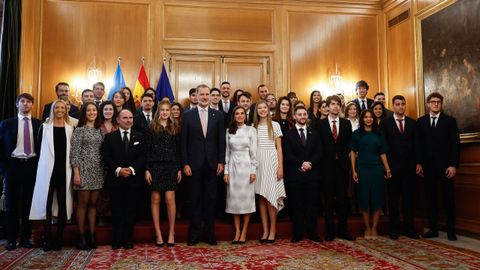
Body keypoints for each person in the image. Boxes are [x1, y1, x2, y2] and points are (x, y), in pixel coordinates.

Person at [181, 84, 225, 246]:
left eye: (207, 94)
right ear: (197, 96)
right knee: (195, 200)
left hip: (213, 164)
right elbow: (183, 142)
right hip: (193, 165)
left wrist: (221, 161)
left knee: (211, 200)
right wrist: (185, 163)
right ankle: (194, 234)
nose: (205, 97)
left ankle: (209, 234)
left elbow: (222, 141)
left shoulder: (218, 115)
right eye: (202, 94)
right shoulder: (188, 115)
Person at [30, 99, 74, 251]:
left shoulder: (70, 129)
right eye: (57, 108)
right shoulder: (44, 127)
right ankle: (47, 238)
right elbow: (38, 149)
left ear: (66, 110)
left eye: (63, 108)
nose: (60, 110)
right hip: (47, 171)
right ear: (53, 110)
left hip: (63, 171)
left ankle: (59, 238)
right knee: (46, 205)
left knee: (62, 205)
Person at [0, 93, 42, 251]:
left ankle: (25, 238)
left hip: (32, 166)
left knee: (28, 204)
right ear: (17, 104)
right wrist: (4, 168)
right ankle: (11, 239)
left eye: (29, 101)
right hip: (13, 166)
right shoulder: (6, 124)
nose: (25, 104)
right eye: (22, 101)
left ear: (32, 105)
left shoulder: (39, 124)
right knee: (11, 205)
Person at [417, 92, 460, 241]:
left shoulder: (450, 121)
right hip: (427, 169)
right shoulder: (421, 121)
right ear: (428, 104)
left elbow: (455, 145)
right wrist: (419, 163)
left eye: (438, 102)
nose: (436, 104)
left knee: (448, 200)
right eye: (433, 102)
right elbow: (418, 146)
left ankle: (451, 231)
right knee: (431, 200)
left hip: (446, 168)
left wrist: (453, 165)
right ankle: (433, 229)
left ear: (441, 104)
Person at [102, 109, 145, 249]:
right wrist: (119, 170)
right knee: (117, 210)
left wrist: (131, 169)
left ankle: (128, 239)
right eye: (125, 117)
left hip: (133, 179)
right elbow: (106, 157)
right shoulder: (109, 137)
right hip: (116, 180)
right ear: (118, 120)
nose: (128, 120)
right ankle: (116, 239)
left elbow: (143, 156)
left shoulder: (140, 136)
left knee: (131, 211)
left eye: (130, 117)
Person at [316, 95, 355, 241]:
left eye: (338, 104)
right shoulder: (320, 124)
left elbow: (349, 146)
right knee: (327, 200)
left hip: (342, 167)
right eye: (332, 104)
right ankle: (329, 231)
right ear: (327, 106)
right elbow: (318, 146)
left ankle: (343, 230)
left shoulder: (346, 124)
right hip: (326, 167)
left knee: (342, 199)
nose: (335, 107)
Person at [381, 95, 420, 239]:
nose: (401, 106)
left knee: (409, 199)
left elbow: (417, 145)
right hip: (392, 168)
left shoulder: (412, 123)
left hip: (409, 168)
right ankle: (394, 229)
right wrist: (386, 167)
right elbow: (383, 147)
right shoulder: (385, 124)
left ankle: (409, 229)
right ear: (393, 106)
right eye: (398, 104)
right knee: (393, 199)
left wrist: (418, 163)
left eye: (403, 104)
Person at [350, 109, 391, 240]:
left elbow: (382, 153)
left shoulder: (379, 134)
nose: (368, 119)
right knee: (364, 199)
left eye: (370, 117)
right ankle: (367, 227)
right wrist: (354, 170)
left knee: (377, 198)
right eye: (366, 117)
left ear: (373, 119)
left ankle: (374, 228)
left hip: (377, 169)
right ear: (362, 119)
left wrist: (387, 169)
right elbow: (352, 153)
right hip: (362, 169)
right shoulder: (356, 134)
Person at [145, 100, 182, 247]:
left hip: (171, 166)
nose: (165, 112)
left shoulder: (175, 127)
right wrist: (147, 169)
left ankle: (172, 232)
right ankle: (158, 232)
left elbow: (178, 150)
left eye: (167, 110)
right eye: (162, 110)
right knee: (155, 199)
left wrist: (179, 168)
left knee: (170, 198)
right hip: (155, 167)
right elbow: (147, 151)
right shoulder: (151, 128)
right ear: (158, 112)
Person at [283, 106, 322, 243]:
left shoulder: (314, 133)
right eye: (299, 114)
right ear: (294, 116)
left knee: (312, 205)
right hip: (295, 175)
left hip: (312, 175)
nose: (302, 117)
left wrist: (309, 163)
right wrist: (301, 164)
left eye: (304, 114)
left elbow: (319, 152)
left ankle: (312, 232)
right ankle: (297, 233)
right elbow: (288, 154)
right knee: (297, 205)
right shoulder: (288, 135)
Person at [70, 102, 104, 250]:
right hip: (83, 171)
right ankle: (81, 236)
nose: (92, 112)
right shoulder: (79, 130)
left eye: (94, 110)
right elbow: (75, 153)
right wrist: (76, 173)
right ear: (84, 113)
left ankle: (91, 235)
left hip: (98, 171)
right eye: (89, 110)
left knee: (93, 204)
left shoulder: (100, 130)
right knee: (83, 204)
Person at [254, 100, 286, 243]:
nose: (262, 110)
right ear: (257, 111)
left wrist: (280, 167)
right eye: (259, 108)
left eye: (264, 107)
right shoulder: (252, 127)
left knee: (271, 198)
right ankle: (265, 230)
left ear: (268, 109)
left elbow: (279, 147)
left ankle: (273, 230)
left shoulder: (275, 125)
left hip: (272, 162)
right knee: (261, 196)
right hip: (258, 163)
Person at [224, 106, 257, 244]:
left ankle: (244, 232)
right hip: (232, 167)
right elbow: (227, 152)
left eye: (242, 113)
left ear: (245, 115)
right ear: (233, 116)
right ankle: (237, 232)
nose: (239, 115)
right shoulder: (228, 131)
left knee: (246, 201)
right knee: (234, 202)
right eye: (237, 113)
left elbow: (254, 152)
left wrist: (253, 170)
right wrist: (226, 171)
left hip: (246, 167)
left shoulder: (251, 130)